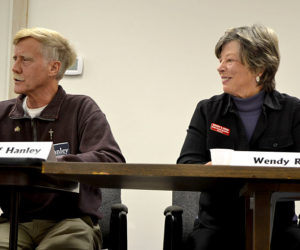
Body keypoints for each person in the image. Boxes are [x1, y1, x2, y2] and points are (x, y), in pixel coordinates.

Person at [0, 27, 125, 249]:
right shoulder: (2, 113)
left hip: (71, 222)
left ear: (53, 67)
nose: (15, 67)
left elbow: (111, 159)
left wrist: (49, 165)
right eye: (14, 58)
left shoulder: (81, 108)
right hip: (14, 222)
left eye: (25, 60)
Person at [177, 24, 300, 250]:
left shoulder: (293, 111)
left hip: (279, 228)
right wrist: (210, 169)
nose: (220, 68)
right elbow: (186, 165)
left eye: (229, 60)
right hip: (217, 228)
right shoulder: (207, 110)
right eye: (220, 60)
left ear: (259, 66)